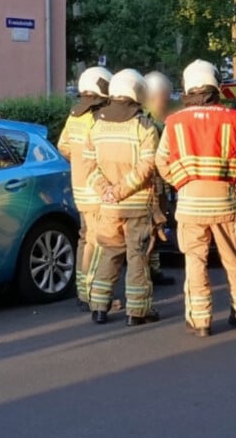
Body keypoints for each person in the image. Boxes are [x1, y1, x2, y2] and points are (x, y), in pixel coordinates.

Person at [156, 59, 236, 337]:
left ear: (188, 86)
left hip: (190, 205)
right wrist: (229, 179)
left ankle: (201, 321)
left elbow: (161, 162)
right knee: (233, 260)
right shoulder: (233, 119)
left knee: (195, 263)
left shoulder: (174, 122)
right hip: (224, 204)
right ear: (215, 85)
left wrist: (183, 182)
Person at [82, 69, 160, 327]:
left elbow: (88, 167)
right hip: (136, 205)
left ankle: (99, 308)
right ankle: (137, 312)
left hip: (108, 205)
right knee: (137, 256)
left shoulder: (96, 126)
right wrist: (121, 190)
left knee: (109, 253)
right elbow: (148, 166)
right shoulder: (145, 126)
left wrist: (106, 190)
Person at [57, 65, 112, 311]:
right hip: (97, 191)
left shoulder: (74, 116)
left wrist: (79, 164)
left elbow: (63, 147)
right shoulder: (97, 117)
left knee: (85, 239)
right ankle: (94, 295)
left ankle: (83, 290)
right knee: (99, 241)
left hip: (79, 189)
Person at [143, 71, 177, 287]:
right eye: (166, 97)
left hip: (159, 185)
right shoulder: (146, 122)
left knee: (156, 228)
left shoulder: (156, 119)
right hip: (151, 186)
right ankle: (145, 272)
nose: (168, 101)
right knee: (149, 230)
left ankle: (153, 269)